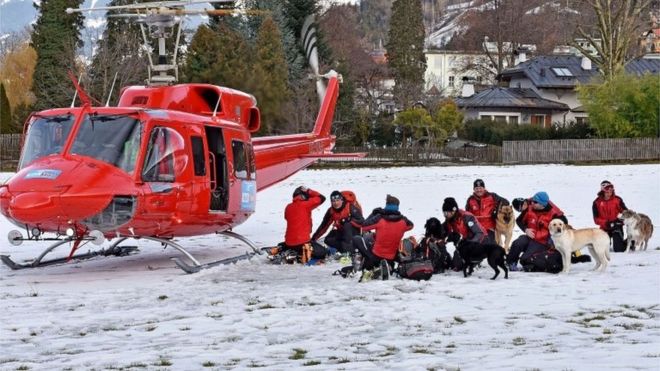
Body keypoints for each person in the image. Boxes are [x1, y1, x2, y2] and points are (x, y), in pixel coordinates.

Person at [353, 194, 414, 280]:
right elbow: (411, 226)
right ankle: (387, 266)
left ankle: (364, 263)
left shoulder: (380, 218)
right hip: (391, 256)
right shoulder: (403, 221)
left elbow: (363, 226)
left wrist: (373, 214)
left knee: (357, 239)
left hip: (376, 255)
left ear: (386, 205)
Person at [507, 191, 567, 271]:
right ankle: (511, 263)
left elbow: (563, 225)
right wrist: (526, 230)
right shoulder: (530, 207)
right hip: (530, 236)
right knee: (517, 243)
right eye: (532, 201)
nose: (531, 203)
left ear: (542, 204)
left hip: (542, 241)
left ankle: (532, 263)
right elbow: (519, 220)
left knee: (524, 259)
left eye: (535, 202)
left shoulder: (554, 214)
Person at [442, 197, 490, 271]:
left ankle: (476, 260)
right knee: (457, 265)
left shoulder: (467, 217)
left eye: (446, 213)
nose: (445, 215)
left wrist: (471, 245)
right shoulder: (449, 221)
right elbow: (443, 232)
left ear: (453, 211)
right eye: (444, 213)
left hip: (480, 241)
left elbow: (479, 233)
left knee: (466, 261)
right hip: (464, 244)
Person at [282, 186, 326, 263]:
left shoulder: (288, 207)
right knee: (323, 252)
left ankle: (290, 252)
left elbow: (287, 218)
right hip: (302, 242)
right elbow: (322, 198)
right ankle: (301, 255)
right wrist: (309, 191)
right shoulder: (306, 205)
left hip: (288, 242)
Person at [312, 190, 364, 256]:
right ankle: (344, 249)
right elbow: (324, 226)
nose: (336, 203)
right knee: (328, 240)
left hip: (354, 233)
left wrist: (349, 220)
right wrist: (314, 239)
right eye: (333, 201)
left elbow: (362, 221)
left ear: (342, 200)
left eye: (337, 200)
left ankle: (349, 252)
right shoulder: (331, 211)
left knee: (347, 225)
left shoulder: (350, 207)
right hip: (342, 232)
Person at [592, 180, 628, 252]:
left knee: (619, 249)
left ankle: (631, 241)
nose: (609, 194)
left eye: (611, 192)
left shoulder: (617, 200)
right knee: (603, 250)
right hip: (604, 227)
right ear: (603, 191)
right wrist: (606, 223)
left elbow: (626, 213)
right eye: (607, 192)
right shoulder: (596, 202)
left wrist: (620, 221)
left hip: (616, 226)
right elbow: (596, 219)